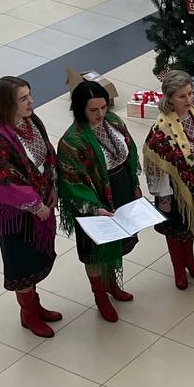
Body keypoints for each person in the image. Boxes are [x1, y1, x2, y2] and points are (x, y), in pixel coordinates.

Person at [0, 76, 61, 339]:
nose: (31, 102)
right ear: (7, 103)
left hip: (40, 202)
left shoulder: (31, 121)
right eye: (24, 98)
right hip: (17, 215)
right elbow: (4, 180)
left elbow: (48, 154)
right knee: (23, 266)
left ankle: (35, 305)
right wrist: (35, 204)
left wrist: (52, 186)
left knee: (35, 260)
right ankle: (28, 313)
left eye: (30, 95)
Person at [57, 80, 141, 321]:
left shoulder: (113, 122)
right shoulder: (72, 142)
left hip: (121, 190)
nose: (100, 114)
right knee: (96, 251)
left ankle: (112, 284)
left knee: (116, 243)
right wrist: (95, 207)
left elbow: (129, 151)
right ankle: (100, 296)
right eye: (93, 110)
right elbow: (71, 182)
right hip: (94, 203)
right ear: (80, 109)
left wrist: (133, 184)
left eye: (103, 107)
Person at [145, 70, 194, 290]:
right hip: (175, 186)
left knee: (191, 226)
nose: (189, 99)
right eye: (182, 96)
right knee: (177, 229)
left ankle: (190, 261)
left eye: (190, 94)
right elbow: (157, 166)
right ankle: (179, 269)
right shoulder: (162, 127)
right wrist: (163, 196)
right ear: (169, 98)